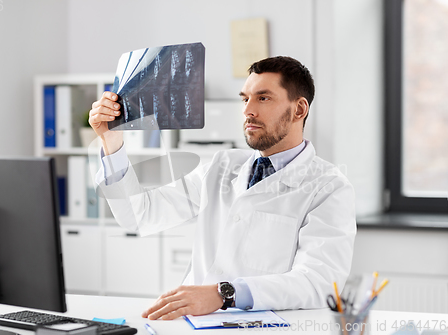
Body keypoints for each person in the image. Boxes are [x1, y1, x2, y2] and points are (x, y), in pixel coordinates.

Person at [89, 56, 356, 320]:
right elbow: (139, 216)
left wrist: (224, 294)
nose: (248, 110)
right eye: (245, 98)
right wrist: (111, 142)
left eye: (263, 98)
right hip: (195, 325)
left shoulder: (329, 188)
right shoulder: (221, 167)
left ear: (299, 110)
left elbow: (318, 283)